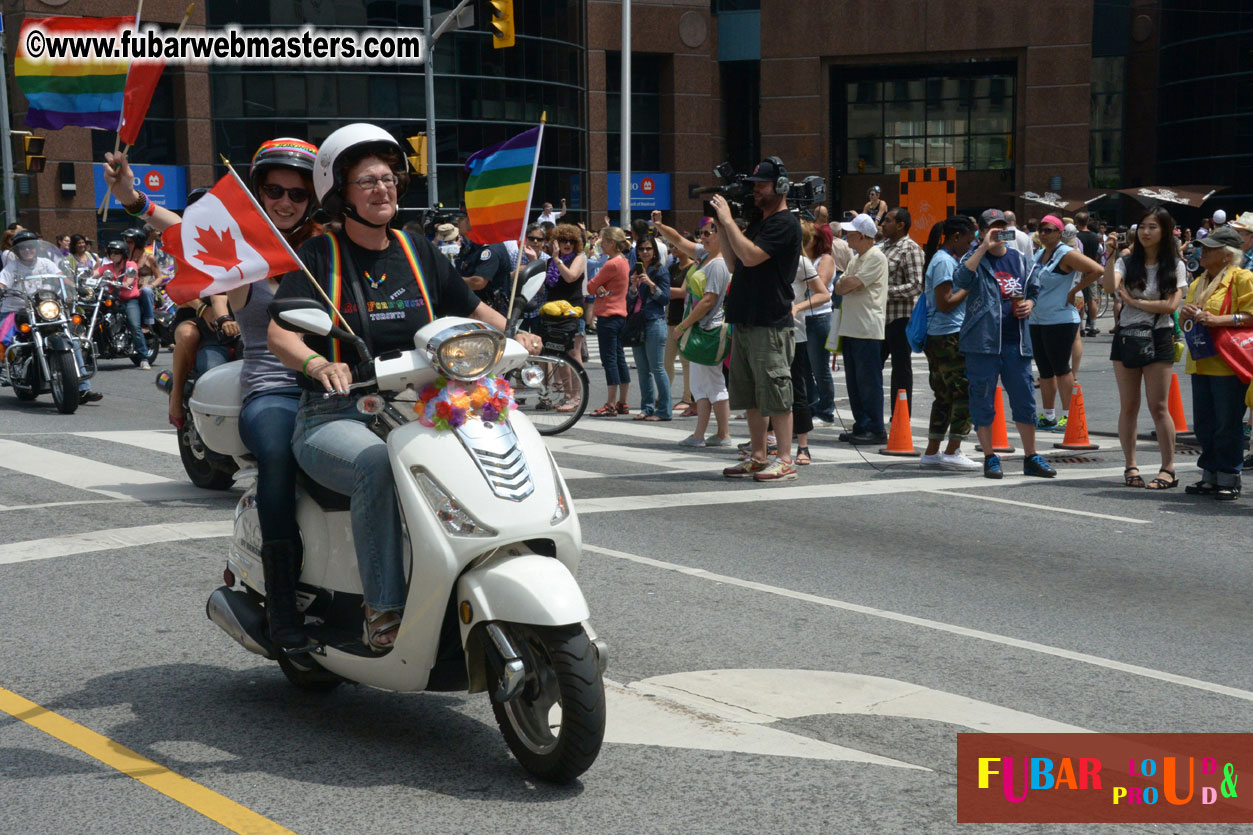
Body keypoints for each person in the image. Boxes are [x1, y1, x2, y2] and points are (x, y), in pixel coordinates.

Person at [267, 123, 542, 651]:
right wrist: (316, 365)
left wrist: (517, 334)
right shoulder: (322, 257)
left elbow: (474, 310)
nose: (382, 189)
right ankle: (384, 609)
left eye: (389, 179)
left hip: (421, 407)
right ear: (340, 195)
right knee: (375, 464)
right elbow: (282, 331)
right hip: (337, 415)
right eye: (367, 181)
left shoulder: (418, 250)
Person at [711, 157, 802, 482]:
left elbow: (752, 256)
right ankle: (759, 455)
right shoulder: (761, 223)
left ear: (780, 187)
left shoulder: (784, 223)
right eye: (754, 186)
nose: (756, 192)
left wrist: (728, 221)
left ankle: (786, 459)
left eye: (761, 186)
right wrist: (723, 226)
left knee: (776, 393)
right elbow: (735, 264)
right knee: (750, 395)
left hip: (770, 322)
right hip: (746, 319)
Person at [953, 209, 1056, 480]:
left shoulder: (1021, 260)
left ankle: (1031, 456)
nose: (999, 233)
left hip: (1016, 342)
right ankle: (990, 456)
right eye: (993, 228)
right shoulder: (973, 258)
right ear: (983, 231)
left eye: (1003, 227)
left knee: (1024, 400)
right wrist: (982, 248)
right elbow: (960, 281)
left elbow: (1034, 289)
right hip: (982, 343)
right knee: (982, 400)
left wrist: (1030, 304)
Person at [1100, 207, 1187, 490]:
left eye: (1153, 227)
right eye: (1142, 227)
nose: (1146, 232)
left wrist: (1135, 302)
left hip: (1159, 335)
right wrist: (1111, 254)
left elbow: (1171, 306)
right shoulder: (1127, 261)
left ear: (1164, 231)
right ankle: (1131, 465)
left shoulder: (1175, 265)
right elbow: (1109, 288)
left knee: (1159, 406)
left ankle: (1168, 468)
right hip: (1127, 336)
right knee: (1129, 405)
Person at [1179, 226, 1253, 500]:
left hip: (1228, 362)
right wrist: (1185, 314)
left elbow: (1251, 315)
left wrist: (1219, 320)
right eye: (1203, 247)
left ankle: (1229, 475)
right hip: (1200, 360)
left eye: (1210, 248)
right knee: (1204, 424)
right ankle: (1209, 474)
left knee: (1227, 422)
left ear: (1226, 255)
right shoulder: (1199, 281)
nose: (1203, 251)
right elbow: (1185, 321)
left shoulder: (1242, 278)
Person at [0, 230, 101, 403]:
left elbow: (61, 277)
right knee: (5, 338)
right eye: (23, 248)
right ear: (17, 251)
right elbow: (2, 282)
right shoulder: (12, 267)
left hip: (43, 307)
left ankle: (83, 388)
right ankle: (10, 368)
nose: (28, 251)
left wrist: (76, 287)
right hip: (16, 310)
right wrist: (1, 289)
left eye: (30, 247)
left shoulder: (45, 263)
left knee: (72, 338)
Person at [1027, 214, 1103, 431]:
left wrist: (1075, 291)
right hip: (1038, 319)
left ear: (1060, 233)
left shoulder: (1065, 254)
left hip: (1060, 319)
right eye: (1040, 229)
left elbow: (1096, 270)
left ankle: (1070, 415)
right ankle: (1049, 415)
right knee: (1044, 371)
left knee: (1061, 368)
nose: (1043, 233)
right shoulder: (1040, 254)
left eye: (1048, 230)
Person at [919, 216, 980, 471]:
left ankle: (932, 452)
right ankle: (953, 449)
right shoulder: (944, 261)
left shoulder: (943, 258)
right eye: (969, 239)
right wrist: (968, 287)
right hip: (948, 335)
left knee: (943, 395)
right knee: (964, 392)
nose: (971, 245)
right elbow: (945, 303)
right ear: (956, 237)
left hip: (939, 335)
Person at [671, 217, 733, 447]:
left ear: (721, 236)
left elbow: (709, 301)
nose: (703, 237)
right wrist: (658, 225)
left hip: (709, 328)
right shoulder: (706, 256)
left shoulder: (718, 263)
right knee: (700, 386)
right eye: (701, 233)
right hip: (701, 328)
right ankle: (700, 434)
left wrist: (682, 326)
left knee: (714, 384)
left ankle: (723, 433)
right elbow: (677, 239)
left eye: (708, 233)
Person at [834, 213, 889, 443]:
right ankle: (861, 423)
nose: (847, 236)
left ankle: (875, 427)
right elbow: (839, 287)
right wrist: (848, 282)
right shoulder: (856, 259)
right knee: (854, 381)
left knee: (868, 380)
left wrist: (848, 282)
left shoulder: (876, 257)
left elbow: (850, 283)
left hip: (867, 326)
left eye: (851, 233)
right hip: (851, 326)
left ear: (864, 236)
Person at [786, 222, 830, 464]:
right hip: (770, 331)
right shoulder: (770, 260)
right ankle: (770, 440)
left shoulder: (802, 263)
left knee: (797, 391)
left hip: (796, 334)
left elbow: (824, 293)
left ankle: (803, 446)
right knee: (770, 390)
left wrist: (798, 307)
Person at [880, 207, 924, 415]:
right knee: (871, 368)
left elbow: (916, 285)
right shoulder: (883, 248)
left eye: (887, 221)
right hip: (880, 318)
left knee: (900, 370)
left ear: (901, 225)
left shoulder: (911, 249)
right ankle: (872, 417)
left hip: (901, 318)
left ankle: (901, 417)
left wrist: (884, 292)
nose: (883, 224)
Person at [539, 222, 587, 413]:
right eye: (562, 240)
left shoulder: (578, 258)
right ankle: (567, 395)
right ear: (555, 242)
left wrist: (558, 259)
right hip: (554, 313)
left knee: (573, 354)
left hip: (573, 311)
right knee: (558, 354)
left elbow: (571, 277)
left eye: (571, 241)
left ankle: (575, 397)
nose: (567, 244)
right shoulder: (549, 262)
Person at [588, 226, 632, 417]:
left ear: (611, 243)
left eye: (604, 241)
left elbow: (591, 286)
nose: (601, 245)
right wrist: (600, 287)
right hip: (620, 314)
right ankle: (623, 401)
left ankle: (610, 403)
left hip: (607, 315)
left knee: (609, 360)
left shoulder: (611, 263)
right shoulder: (624, 261)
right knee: (620, 358)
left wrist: (598, 288)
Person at [627, 235, 672, 420]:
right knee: (643, 369)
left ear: (654, 251)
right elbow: (630, 301)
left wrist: (651, 285)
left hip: (655, 322)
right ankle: (647, 407)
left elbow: (665, 298)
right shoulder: (635, 270)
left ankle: (664, 410)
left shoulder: (659, 271)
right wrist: (633, 288)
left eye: (648, 249)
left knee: (658, 368)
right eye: (641, 249)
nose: (644, 252)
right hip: (638, 323)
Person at [95, 239, 152, 369]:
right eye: (111, 253)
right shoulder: (107, 267)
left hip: (129, 300)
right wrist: (84, 278)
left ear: (124, 254)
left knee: (134, 325)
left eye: (116, 253)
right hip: (112, 300)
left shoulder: (130, 265)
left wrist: (127, 282)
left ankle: (144, 358)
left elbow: (131, 277)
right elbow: (96, 273)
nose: (113, 255)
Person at [803, 223, 838, 423]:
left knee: (819, 367)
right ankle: (812, 404)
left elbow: (821, 284)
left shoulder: (825, 259)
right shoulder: (806, 260)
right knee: (804, 368)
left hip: (819, 317)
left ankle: (826, 409)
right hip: (803, 317)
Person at [1074, 211, 1104, 336]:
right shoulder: (1095, 237)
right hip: (1092, 269)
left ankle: (1080, 327)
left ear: (1076, 222)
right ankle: (1093, 327)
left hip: (1079, 269)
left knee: (1079, 297)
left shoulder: (1076, 237)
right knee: (1092, 299)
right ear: (1087, 222)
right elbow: (1099, 253)